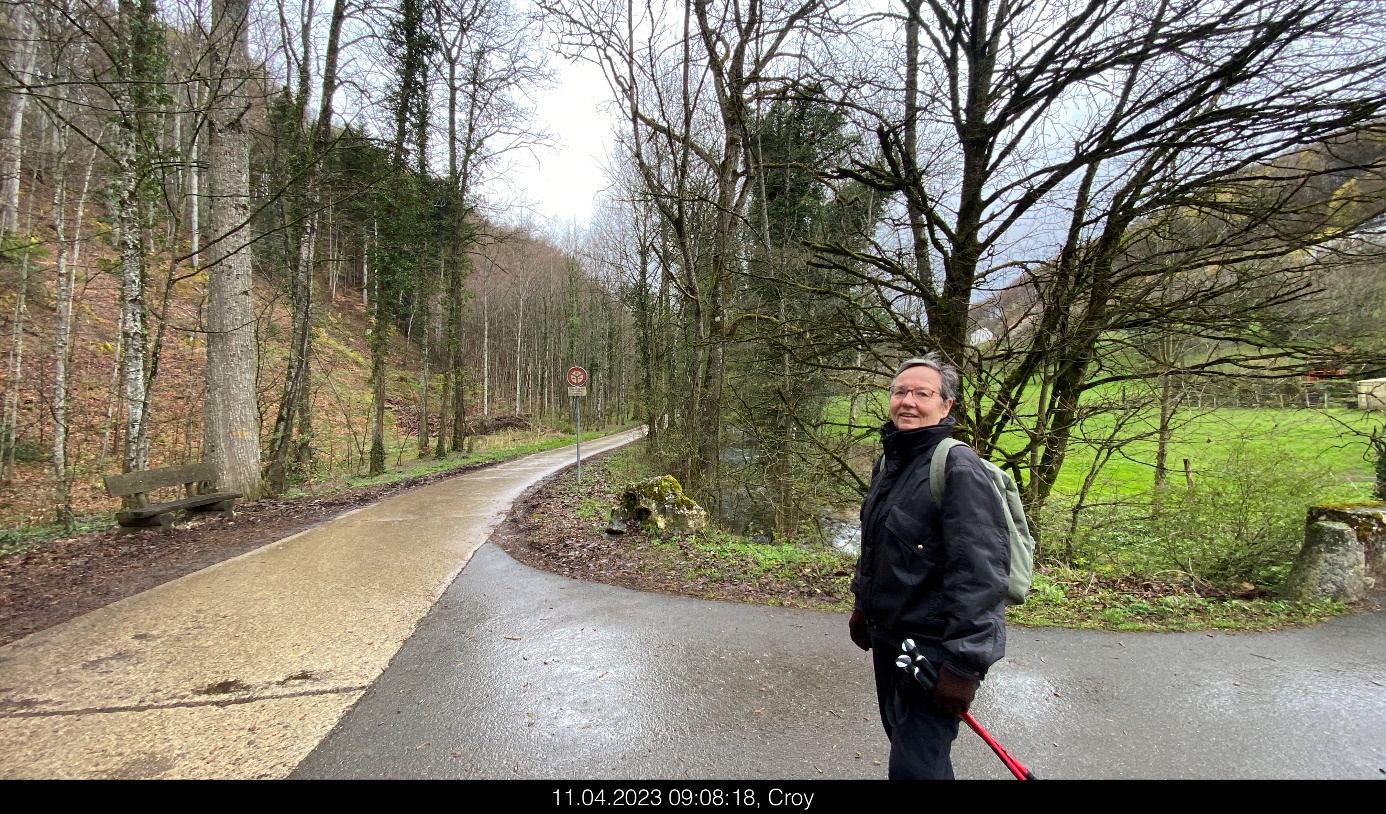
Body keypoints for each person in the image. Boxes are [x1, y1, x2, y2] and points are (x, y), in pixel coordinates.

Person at [849, 354, 1010, 780]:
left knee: (916, 769)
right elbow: (876, 546)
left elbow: (980, 574)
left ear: (947, 405)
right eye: (900, 391)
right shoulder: (890, 463)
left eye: (923, 393)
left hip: (933, 652)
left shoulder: (957, 467)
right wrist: (863, 607)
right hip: (891, 643)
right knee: (911, 753)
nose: (908, 401)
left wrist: (964, 667)